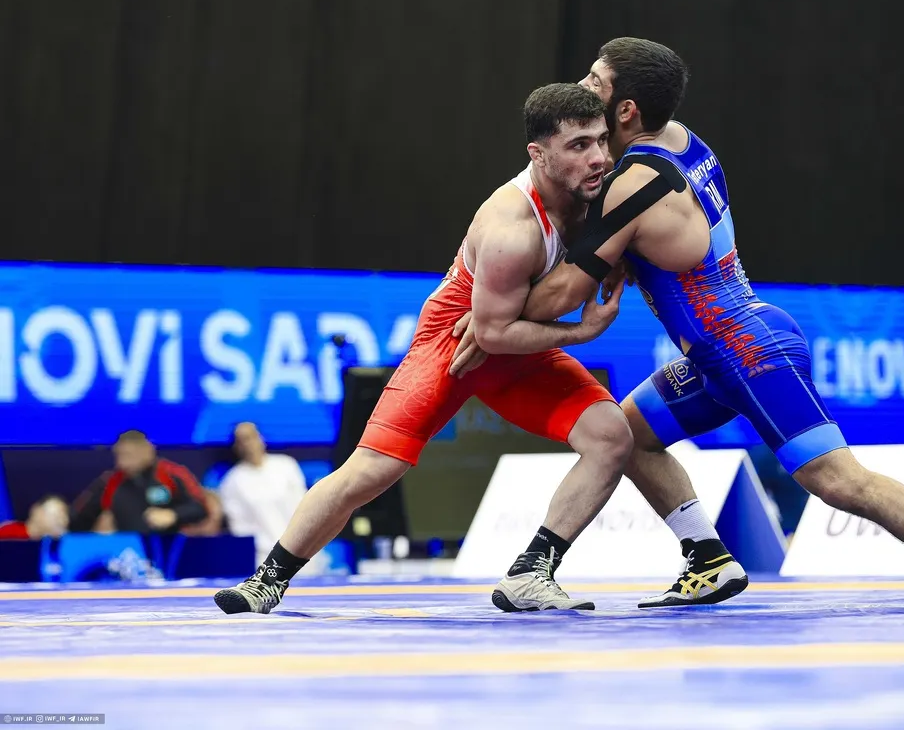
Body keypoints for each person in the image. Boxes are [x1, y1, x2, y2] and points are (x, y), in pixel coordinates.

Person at [453, 38, 904, 609]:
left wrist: (490, 312)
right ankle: (708, 559)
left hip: (749, 351)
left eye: (596, 81)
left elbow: (563, 294)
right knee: (628, 435)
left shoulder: (632, 184)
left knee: (837, 480)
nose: (584, 86)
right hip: (722, 350)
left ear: (626, 110)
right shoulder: (681, 140)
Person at [214, 83, 634, 615]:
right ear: (538, 154)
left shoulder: (601, 186)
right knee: (371, 470)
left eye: (601, 141)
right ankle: (266, 580)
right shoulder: (510, 226)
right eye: (578, 146)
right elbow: (492, 334)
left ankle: (531, 572)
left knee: (611, 436)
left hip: (514, 343)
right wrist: (580, 333)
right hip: (453, 343)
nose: (598, 158)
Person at [70, 430, 211, 535]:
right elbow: (80, 517)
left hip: (169, 546)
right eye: (119, 455)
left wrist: (173, 515)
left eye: (128, 455)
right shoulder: (110, 482)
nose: (122, 462)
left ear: (148, 451)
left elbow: (200, 508)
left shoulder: (171, 474)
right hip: (129, 550)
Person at [218, 422, 310, 563]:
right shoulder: (231, 482)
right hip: (263, 558)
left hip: (303, 549)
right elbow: (240, 528)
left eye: (251, 437)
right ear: (236, 447)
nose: (248, 444)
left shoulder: (287, 465)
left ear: (261, 438)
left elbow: (304, 506)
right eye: (242, 440)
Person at [0, 495, 69, 541]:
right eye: (57, 515)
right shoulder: (8, 533)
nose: (63, 521)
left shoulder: (58, 545)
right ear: (36, 512)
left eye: (64, 516)